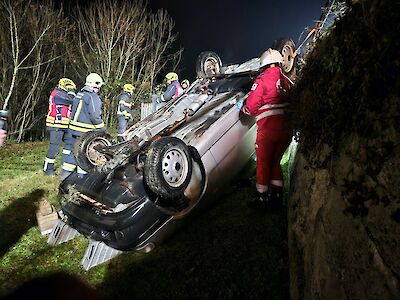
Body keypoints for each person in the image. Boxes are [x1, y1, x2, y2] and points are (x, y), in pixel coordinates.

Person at [239, 48, 293, 210]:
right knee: (275, 162)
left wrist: (244, 109)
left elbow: (251, 105)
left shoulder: (262, 80)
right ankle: (277, 196)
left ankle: (262, 198)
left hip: (268, 129)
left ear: (264, 65)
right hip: (286, 129)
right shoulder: (287, 80)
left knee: (263, 163)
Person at [60, 73, 105, 180]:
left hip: (71, 131)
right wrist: (102, 129)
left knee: (69, 154)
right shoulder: (93, 97)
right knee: (83, 156)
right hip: (84, 133)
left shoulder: (79, 95)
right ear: (96, 85)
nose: (99, 89)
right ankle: (81, 180)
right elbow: (94, 116)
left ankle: (65, 179)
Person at [43, 78, 76, 176]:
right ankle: (48, 169)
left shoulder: (63, 94)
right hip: (55, 124)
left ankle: (67, 165)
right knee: (55, 147)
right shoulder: (57, 94)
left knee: (70, 144)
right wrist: (72, 92)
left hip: (65, 124)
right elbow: (71, 100)